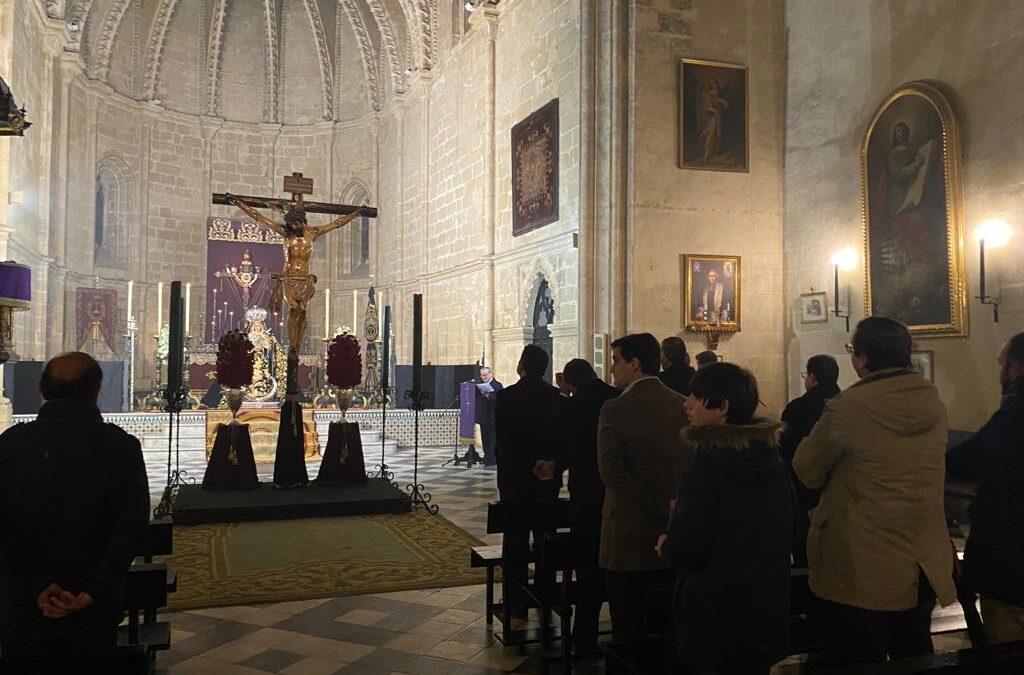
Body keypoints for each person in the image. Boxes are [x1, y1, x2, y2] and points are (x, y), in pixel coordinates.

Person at [793, 317, 955, 666]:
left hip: (862, 561)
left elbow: (806, 469)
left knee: (857, 657)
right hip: (922, 559)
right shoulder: (933, 402)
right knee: (914, 653)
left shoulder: (849, 407)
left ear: (863, 359)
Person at [0, 352, 150, 672]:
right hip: (94, 607)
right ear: (97, 389)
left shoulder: (10, 445)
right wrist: (92, 590)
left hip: (24, 603)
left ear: (41, 387)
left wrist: (39, 584)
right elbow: (132, 526)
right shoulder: (121, 446)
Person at [658, 362, 791, 675]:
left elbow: (687, 548)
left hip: (715, 613)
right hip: (764, 606)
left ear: (722, 408)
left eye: (696, 396)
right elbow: (789, 528)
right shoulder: (772, 461)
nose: (686, 403)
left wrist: (667, 541)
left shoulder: (708, 467)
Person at [598, 333, 689, 645]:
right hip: (673, 529)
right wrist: (669, 504)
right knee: (668, 628)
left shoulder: (615, 408)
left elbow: (611, 472)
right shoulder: (682, 405)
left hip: (627, 533)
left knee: (629, 632)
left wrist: (653, 501)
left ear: (634, 364)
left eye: (616, 361)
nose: (612, 369)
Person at [535, 359, 620, 657]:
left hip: (585, 495)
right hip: (617, 492)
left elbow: (562, 443)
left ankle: (584, 635)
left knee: (587, 568)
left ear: (569, 383)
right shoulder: (615, 396)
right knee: (616, 564)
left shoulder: (571, 405)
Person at [947, 332, 1024, 645]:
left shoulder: (1015, 414)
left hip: (1011, 558)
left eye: (1001, 363)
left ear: (1014, 367)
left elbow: (969, 461)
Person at [494, 345, 562, 620]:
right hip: (546, 478)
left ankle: (514, 600)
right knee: (545, 538)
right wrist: (549, 464)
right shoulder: (556, 397)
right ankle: (544, 595)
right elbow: (560, 439)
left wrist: (519, 467)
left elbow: (503, 442)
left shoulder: (507, 397)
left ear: (522, 365)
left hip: (514, 481)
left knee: (515, 541)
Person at [779, 355, 841, 567]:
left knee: (805, 539)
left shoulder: (798, 407)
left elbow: (786, 448)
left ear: (812, 378)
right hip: (839, 483)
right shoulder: (847, 404)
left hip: (803, 485)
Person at [475, 366, 503, 466]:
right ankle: (487, 457)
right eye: (482, 375)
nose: (484, 377)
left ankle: (492, 459)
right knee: (485, 439)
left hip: (493, 418)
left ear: (490, 374)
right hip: (483, 417)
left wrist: (489, 396)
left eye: (485, 375)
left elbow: (499, 399)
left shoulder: (497, 385)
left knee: (492, 440)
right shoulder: (481, 386)